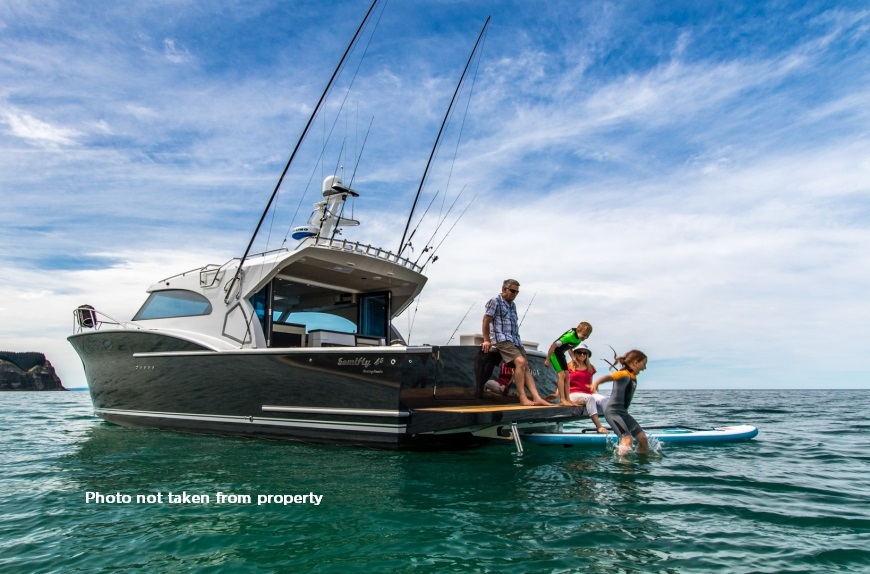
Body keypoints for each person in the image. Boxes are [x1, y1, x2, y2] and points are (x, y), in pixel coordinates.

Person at [481, 279, 550, 406]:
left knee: (526, 367)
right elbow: (486, 320)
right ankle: (523, 398)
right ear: (504, 289)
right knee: (521, 362)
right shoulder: (494, 301)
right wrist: (486, 340)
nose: (515, 294)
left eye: (517, 292)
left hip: (515, 339)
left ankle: (536, 397)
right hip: (501, 339)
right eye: (512, 291)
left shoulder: (513, 305)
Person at [591, 349, 649, 454]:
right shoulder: (624, 374)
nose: (645, 368)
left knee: (643, 439)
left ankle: (643, 464)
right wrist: (597, 383)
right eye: (644, 364)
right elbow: (609, 377)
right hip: (613, 413)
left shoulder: (632, 376)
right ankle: (624, 468)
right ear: (635, 362)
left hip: (623, 413)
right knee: (627, 440)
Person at [544, 321, 593, 405]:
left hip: (561, 353)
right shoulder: (569, 336)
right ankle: (562, 400)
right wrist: (547, 359)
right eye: (584, 335)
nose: (585, 338)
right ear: (578, 330)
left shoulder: (578, 339)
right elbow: (553, 345)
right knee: (561, 375)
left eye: (587, 336)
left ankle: (568, 399)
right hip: (554, 354)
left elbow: (569, 347)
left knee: (567, 375)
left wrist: (573, 358)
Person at [567, 344, 609, 433]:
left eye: (584, 353)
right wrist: (558, 395)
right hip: (572, 394)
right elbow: (562, 382)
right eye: (579, 352)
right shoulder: (568, 367)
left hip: (587, 392)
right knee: (589, 398)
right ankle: (599, 426)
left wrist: (594, 390)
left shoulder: (590, 367)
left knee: (603, 399)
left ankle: (615, 424)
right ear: (574, 353)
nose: (582, 355)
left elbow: (590, 383)